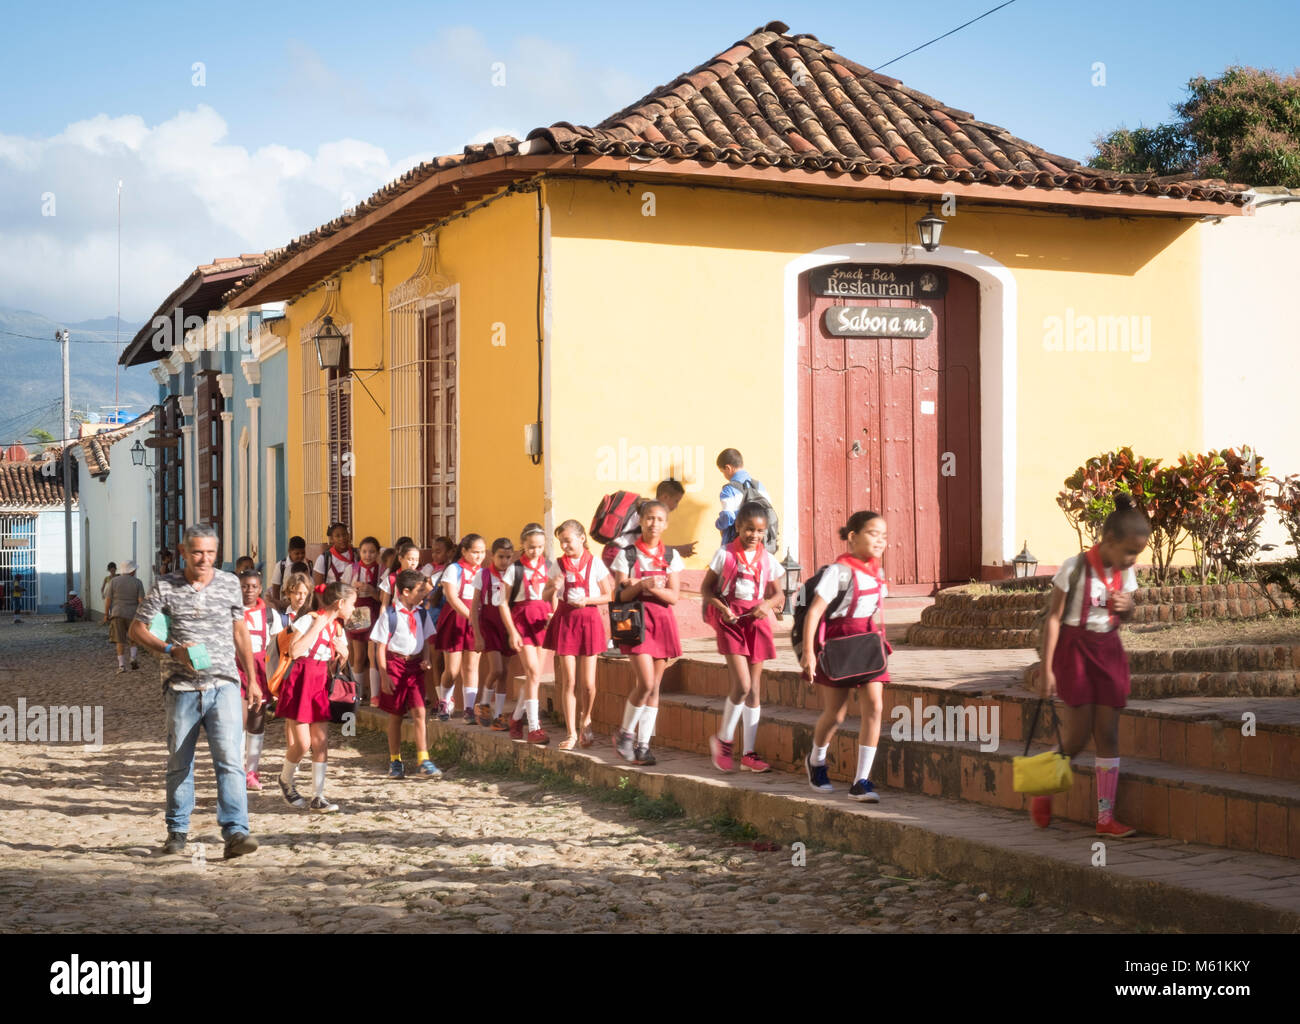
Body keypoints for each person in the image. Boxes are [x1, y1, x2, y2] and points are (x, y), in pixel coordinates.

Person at [128, 524, 261, 859]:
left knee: (230, 760)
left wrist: (253, 678)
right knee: (179, 762)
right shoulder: (165, 586)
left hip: (224, 684)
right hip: (181, 687)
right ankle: (177, 832)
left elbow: (240, 631)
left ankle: (236, 833)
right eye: (198, 552)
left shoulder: (230, 583)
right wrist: (171, 649)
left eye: (211, 553)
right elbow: (136, 630)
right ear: (184, 551)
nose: (204, 559)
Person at [1035, 493, 1148, 838]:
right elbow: (1054, 619)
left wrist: (1125, 606)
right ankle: (1042, 785)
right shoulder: (1076, 567)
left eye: (1137, 554)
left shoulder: (1125, 573)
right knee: (1077, 736)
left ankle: (1105, 817)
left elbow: (1126, 616)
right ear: (1109, 540)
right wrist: (1047, 668)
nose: (1132, 560)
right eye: (1129, 552)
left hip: (1109, 652)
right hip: (1075, 651)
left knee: (1108, 734)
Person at [798, 511, 893, 802]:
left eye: (884, 536)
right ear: (853, 537)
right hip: (838, 644)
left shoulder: (876, 571)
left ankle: (861, 781)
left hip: (867, 643)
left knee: (875, 707)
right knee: (836, 714)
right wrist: (808, 654)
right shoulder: (838, 572)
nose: (880, 540)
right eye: (873, 533)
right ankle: (816, 761)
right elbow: (814, 612)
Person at [702, 502, 785, 774]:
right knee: (743, 685)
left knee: (755, 689)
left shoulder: (767, 559)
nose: (754, 535)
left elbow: (778, 594)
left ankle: (749, 753)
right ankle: (724, 740)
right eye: (749, 529)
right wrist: (722, 608)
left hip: (756, 623)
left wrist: (768, 605)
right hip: (730, 622)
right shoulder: (724, 554)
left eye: (760, 531)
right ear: (738, 528)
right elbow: (707, 589)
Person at [611, 502, 683, 765]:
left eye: (659, 519)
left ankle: (644, 745)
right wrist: (641, 584)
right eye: (649, 518)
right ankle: (625, 735)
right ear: (641, 521)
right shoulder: (627, 555)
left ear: (666, 524)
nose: (654, 523)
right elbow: (618, 595)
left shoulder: (671, 556)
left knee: (655, 688)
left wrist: (651, 589)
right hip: (634, 621)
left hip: (662, 620)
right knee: (645, 683)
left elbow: (674, 596)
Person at [276, 581, 356, 812]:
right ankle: (285, 780)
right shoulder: (309, 619)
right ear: (340, 603)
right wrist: (317, 627)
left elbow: (336, 666)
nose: (353, 610)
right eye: (352, 604)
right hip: (301, 682)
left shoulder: (339, 629)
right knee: (302, 743)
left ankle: (318, 796)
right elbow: (295, 650)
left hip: (321, 683)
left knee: (321, 743)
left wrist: (343, 655)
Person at [544, 519, 613, 750]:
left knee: (588, 684)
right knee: (569, 681)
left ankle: (587, 718)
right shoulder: (558, 564)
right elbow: (546, 595)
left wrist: (588, 601)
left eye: (568, 540)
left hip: (589, 620)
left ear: (581, 538)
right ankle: (571, 733)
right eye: (561, 542)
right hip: (565, 620)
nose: (564, 546)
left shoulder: (595, 563)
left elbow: (608, 595)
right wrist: (554, 586)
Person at [371, 569, 441, 779]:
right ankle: (395, 760)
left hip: (415, 667)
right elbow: (380, 648)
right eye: (420, 590)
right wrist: (384, 676)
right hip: (395, 666)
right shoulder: (389, 616)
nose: (423, 594)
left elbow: (427, 640)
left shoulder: (421, 613)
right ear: (405, 592)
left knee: (420, 712)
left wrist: (426, 658)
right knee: (396, 715)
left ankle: (423, 759)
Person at [506, 523, 553, 745]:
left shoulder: (549, 566)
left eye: (540, 547)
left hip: (542, 621)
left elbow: (553, 591)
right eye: (531, 547)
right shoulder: (514, 569)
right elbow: (502, 604)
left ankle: (515, 719)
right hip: (522, 620)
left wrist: (553, 614)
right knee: (533, 671)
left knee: (534, 675)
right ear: (523, 544)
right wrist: (512, 631)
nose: (536, 551)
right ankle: (534, 728)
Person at [237, 569, 281, 792]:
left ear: (261, 588)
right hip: (236, 670)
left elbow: (276, 648)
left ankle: (251, 770)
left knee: (257, 721)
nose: (249, 591)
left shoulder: (270, 615)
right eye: (245, 586)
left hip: (260, 669)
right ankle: (235, 769)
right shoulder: (231, 613)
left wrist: (275, 678)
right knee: (238, 720)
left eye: (253, 586)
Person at [433, 534, 486, 723]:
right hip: (455, 619)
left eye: (482, 552)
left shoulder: (484, 572)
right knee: (452, 670)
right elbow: (452, 598)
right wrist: (470, 616)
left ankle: (469, 708)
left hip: (476, 621)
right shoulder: (453, 569)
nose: (479, 556)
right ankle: (445, 701)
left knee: (472, 667)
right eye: (475, 552)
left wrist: (478, 620)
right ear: (464, 551)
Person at [472, 538, 518, 728]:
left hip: (507, 625)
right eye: (500, 557)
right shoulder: (482, 575)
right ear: (492, 555)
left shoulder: (514, 575)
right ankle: (483, 703)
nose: (504, 561)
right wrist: (477, 635)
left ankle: (499, 715)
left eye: (508, 557)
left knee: (505, 672)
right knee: (496, 669)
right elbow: (475, 607)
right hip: (489, 625)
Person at [600, 479, 698, 568]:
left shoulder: (646, 506)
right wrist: (677, 550)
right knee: (636, 585)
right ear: (665, 497)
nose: (676, 506)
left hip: (616, 552)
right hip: (619, 553)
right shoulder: (649, 511)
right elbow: (648, 546)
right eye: (676, 501)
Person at [346, 537, 383, 705]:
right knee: (359, 655)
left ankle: (375, 694)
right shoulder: (352, 569)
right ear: (359, 552)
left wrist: (372, 591)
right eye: (364, 551)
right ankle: (357, 693)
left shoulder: (382, 570)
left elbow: (383, 596)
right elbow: (343, 592)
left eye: (372, 552)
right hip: (357, 613)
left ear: (377, 553)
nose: (368, 555)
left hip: (375, 612)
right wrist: (353, 592)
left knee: (373, 653)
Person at [714, 448, 773, 546]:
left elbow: (728, 516)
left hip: (737, 544)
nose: (724, 475)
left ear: (728, 468)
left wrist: (718, 524)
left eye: (722, 472)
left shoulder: (729, 490)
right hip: (759, 544)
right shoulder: (759, 486)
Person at [105, 561, 145, 673]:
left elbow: (108, 599)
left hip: (117, 614)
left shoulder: (113, 582)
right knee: (133, 638)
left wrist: (106, 614)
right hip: (133, 614)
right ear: (132, 571)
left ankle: (121, 666)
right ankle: (133, 657)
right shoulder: (138, 582)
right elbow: (141, 601)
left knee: (119, 640)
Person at [312, 522, 358, 588]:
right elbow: (318, 587)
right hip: (332, 597)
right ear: (331, 539)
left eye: (344, 534)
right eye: (337, 536)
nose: (342, 538)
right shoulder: (324, 559)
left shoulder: (356, 555)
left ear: (348, 535)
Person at [269, 536, 308, 610]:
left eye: (303, 553)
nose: (300, 556)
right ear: (289, 551)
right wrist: (277, 607)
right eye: (297, 553)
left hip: (303, 604)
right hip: (285, 605)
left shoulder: (308, 564)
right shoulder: (281, 566)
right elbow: (276, 589)